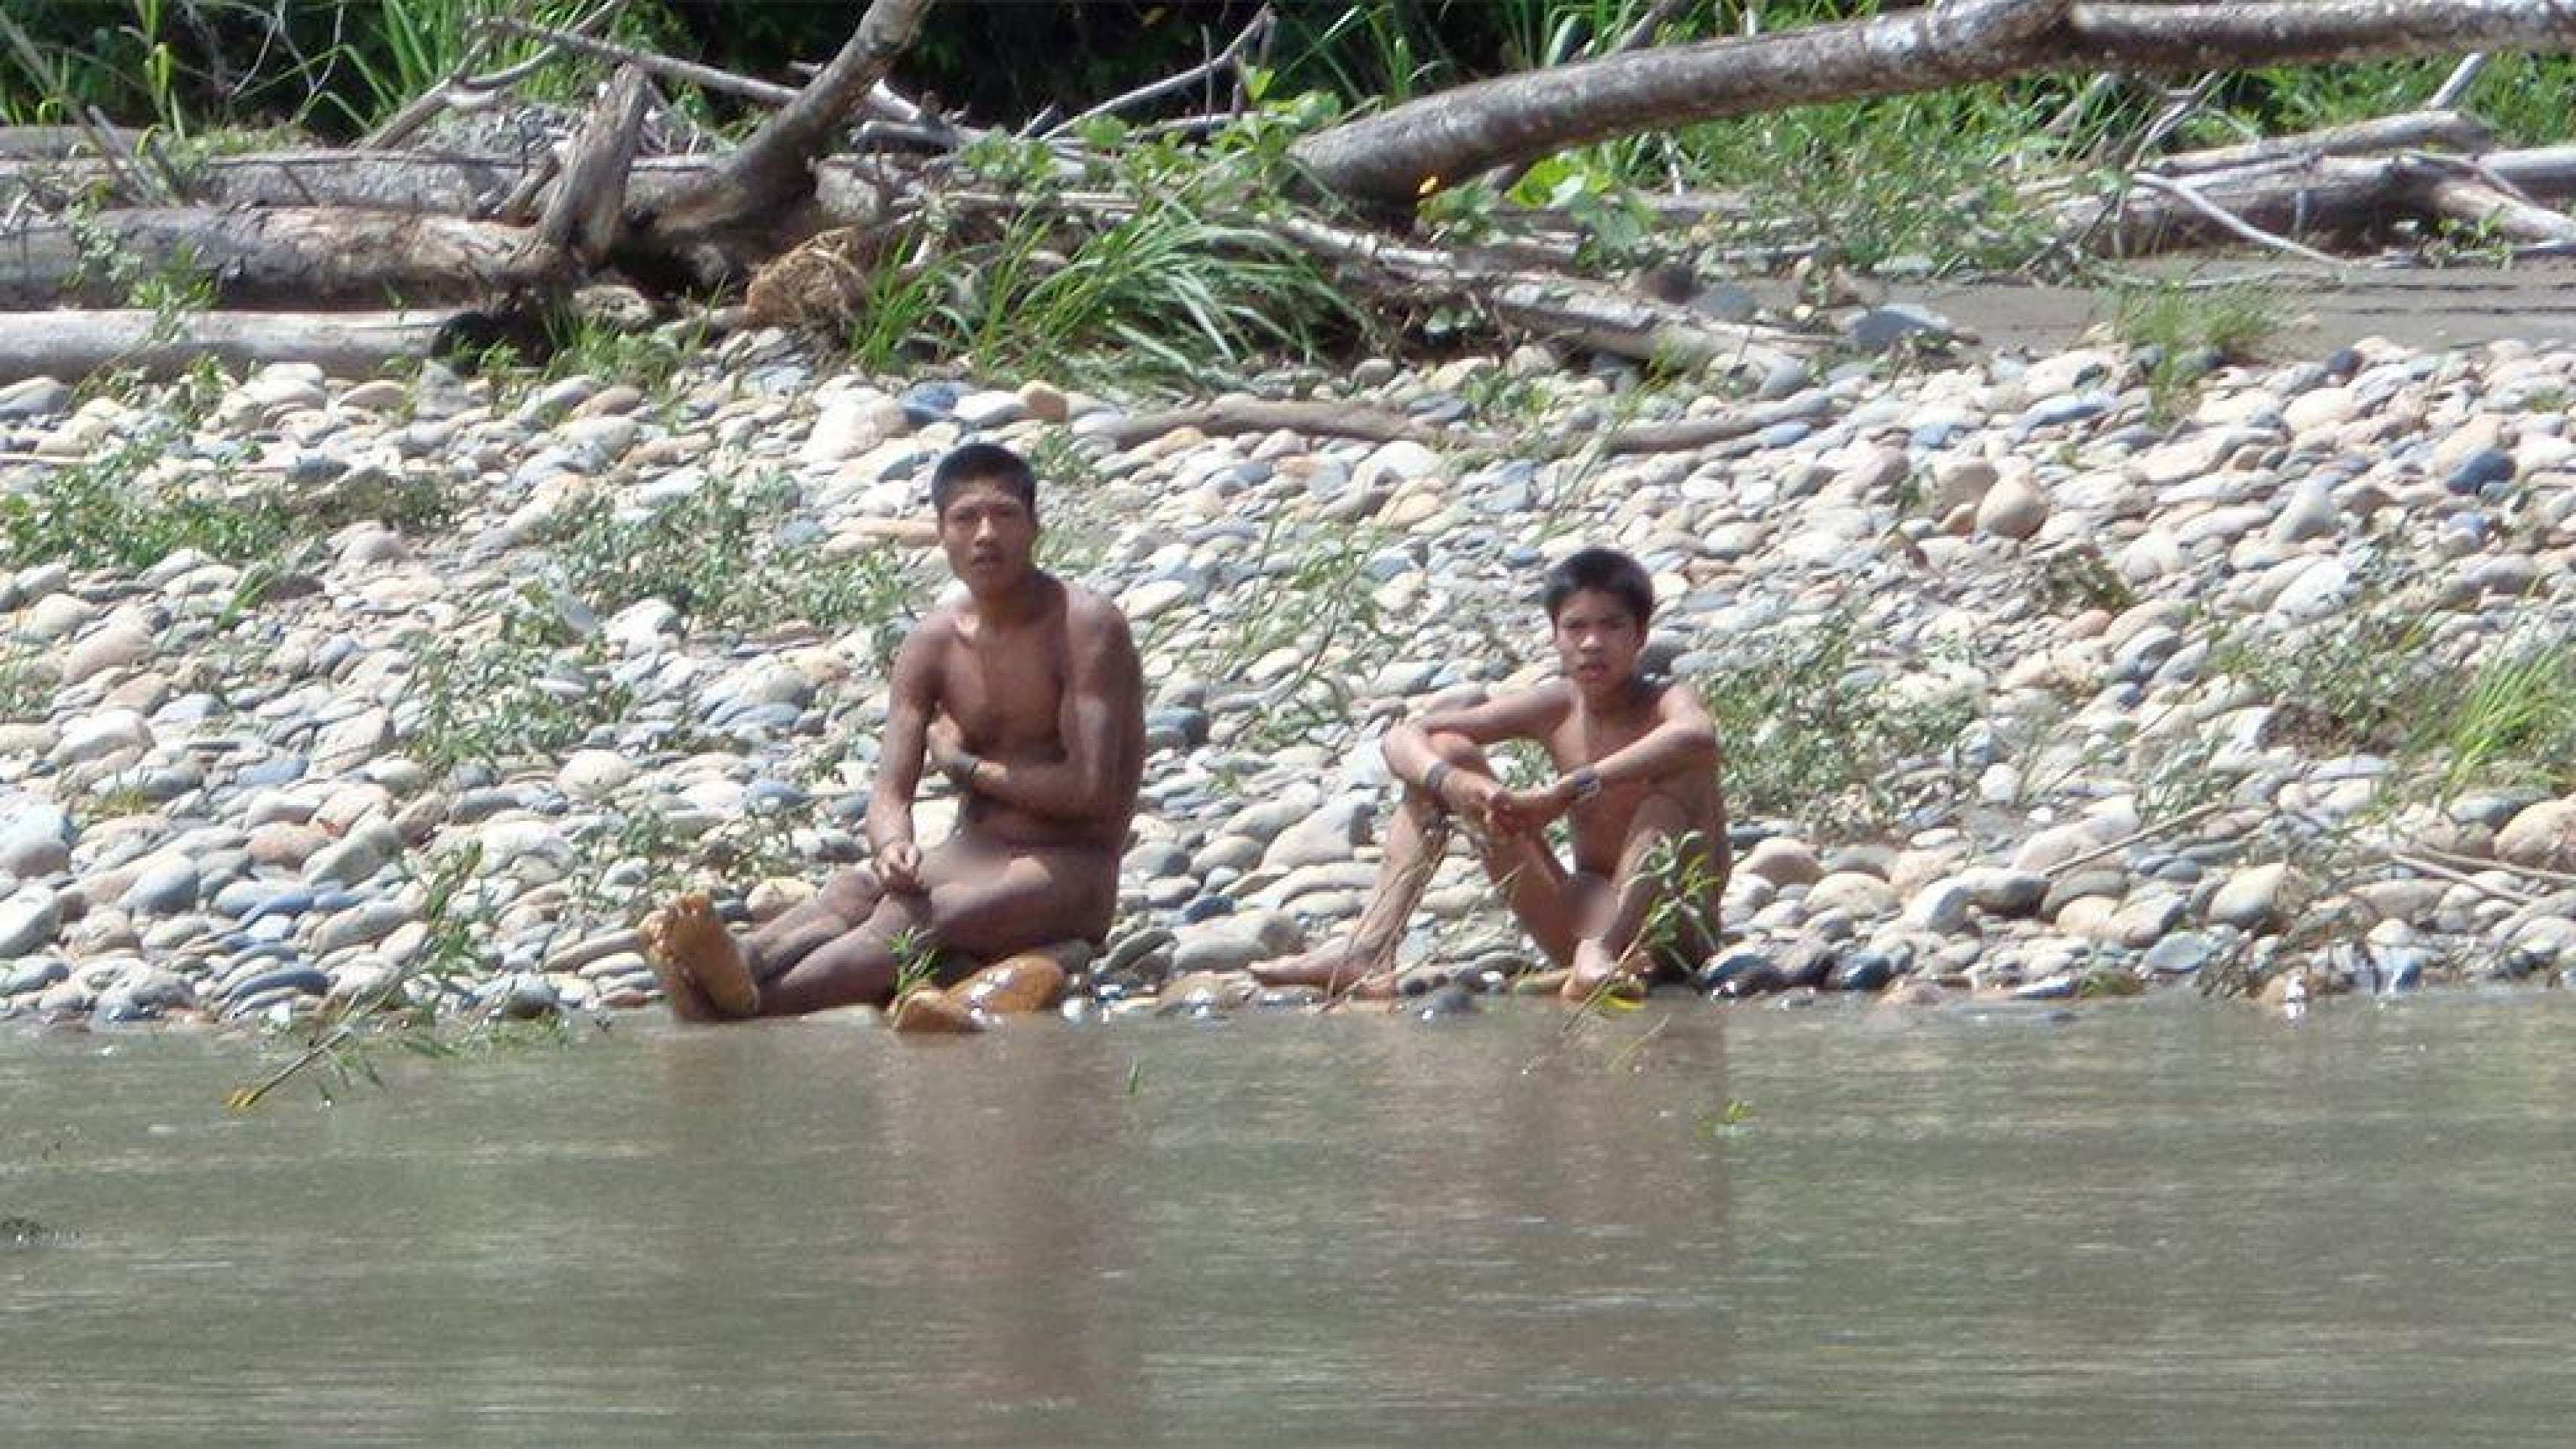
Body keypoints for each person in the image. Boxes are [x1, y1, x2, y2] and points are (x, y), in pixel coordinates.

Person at [640, 442, 1145, 1020]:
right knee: (853, 891)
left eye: (1004, 515)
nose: (985, 534)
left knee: (920, 915)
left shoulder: (1083, 625)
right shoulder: (931, 641)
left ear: (1035, 526)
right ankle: (742, 960)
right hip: (973, 853)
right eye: (965, 518)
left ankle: (742, 1009)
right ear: (940, 533)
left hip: (1070, 867)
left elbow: (1088, 790)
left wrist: (963, 767)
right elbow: (889, 791)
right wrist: (892, 847)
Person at [1253, 547, 1728, 1001]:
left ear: (1640, 635)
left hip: (1673, 931)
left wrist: (1567, 791)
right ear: (1555, 636)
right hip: (1578, 928)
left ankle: (1603, 952)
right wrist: (1455, 782)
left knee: (1684, 769)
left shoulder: (1666, 701)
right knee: (1446, 754)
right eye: (1575, 627)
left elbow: (1698, 736)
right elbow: (1404, 737)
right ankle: (1370, 950)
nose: (1591, 643)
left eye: (1611, 626)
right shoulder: (1558, 704)